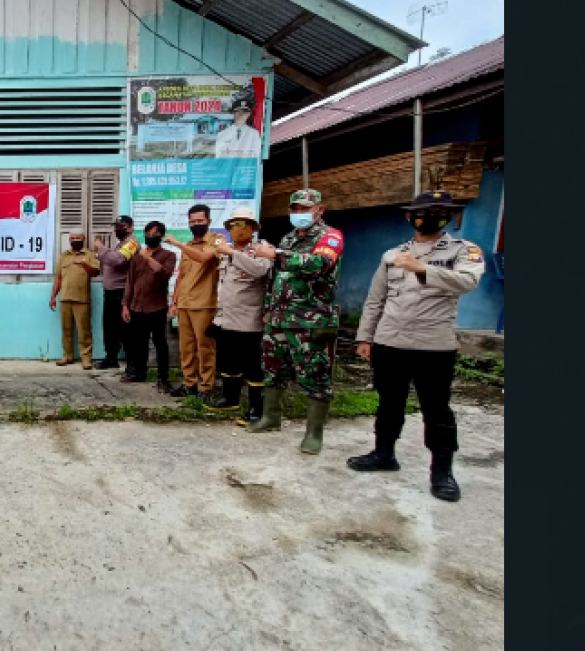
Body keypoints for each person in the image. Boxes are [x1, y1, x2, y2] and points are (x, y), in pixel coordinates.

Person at [349, 190, 485, 502]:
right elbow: (375, 299)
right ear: (410, 216)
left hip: (433, 345)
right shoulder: (392, 254)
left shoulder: (464, 250)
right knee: (388, 403)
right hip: (390, 341)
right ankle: (384, 454)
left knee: (436, 410)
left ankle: (442, 473)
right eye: (426, 210)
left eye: (440, 210)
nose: (433, 215)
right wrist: (365, 337)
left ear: (448, 215)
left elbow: (468, 282)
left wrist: (423, 269)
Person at [248, 189, 344, 454]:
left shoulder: (330, 236)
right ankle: (271, 417)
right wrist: (268, 308)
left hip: (310, 321)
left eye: (304, 209)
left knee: (315, 373)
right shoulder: (289, 238)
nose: (299, 214)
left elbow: (321, 264)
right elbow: (276, 279)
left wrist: (276, 255)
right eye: (295, 209)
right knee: (272, 368)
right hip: (279, 318)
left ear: (319, 210)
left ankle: (314, 433)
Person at [207, 206, 273, 424]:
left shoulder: (262, 248)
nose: (238, 229)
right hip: (226, 319)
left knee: (253, 367)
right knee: (228, 361)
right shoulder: (227, 251)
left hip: (249, 321)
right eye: (234, 225)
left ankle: (256, 409)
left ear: (253, 227)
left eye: (243, 224)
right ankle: (230, 398)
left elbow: (260, 271)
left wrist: (232, 253)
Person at [164, 204, 221, 399]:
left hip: (204, 304)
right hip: (185, 303)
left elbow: (205, 258)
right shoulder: (189, 245)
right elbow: (181, 276)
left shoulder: (217, 240)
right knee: (186, 347)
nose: (195, 224)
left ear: (209, 221)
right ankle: (189, 384)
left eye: (200, 221)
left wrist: (178, 244)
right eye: (192, 221)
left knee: (205, 348)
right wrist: (174, 302)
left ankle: (206, 387)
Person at [122, 221, 177, 392]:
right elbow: (130, 282)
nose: (150, 236)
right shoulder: (137, 257)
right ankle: (139, 373)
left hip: (157, 307)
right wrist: (125, 305)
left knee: (160, 344)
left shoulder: (168, 255)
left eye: (154, 233)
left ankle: (163, 379)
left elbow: (165, 275)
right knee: (139, 343)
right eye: (147, 233)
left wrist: (149, 258)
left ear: (160, 236)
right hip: (137, 307)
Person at [93, 215, 140, 370]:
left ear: (131, 227)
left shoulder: (132, 243)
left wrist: (101, 248)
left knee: (124, 329)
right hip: (111, 292)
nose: (118, 229)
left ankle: (132, 364)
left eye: (122, 226)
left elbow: (117, 260)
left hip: (121, 293)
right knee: (110, 327)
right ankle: (111, 357)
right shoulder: (120, 244)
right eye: (116, 226)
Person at [50, 229, 100, 368]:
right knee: (66, 330)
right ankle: (68, 356)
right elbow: (58, 278)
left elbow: (96, 272)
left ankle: (86, 359)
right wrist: (53, 296)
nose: (75, 240)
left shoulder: (89, 255)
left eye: (78, 237)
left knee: (84, 330)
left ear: (83, 238)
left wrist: (85, 265)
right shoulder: (64, 256)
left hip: (82, 299)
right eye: (73, 238)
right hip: (65, 297)